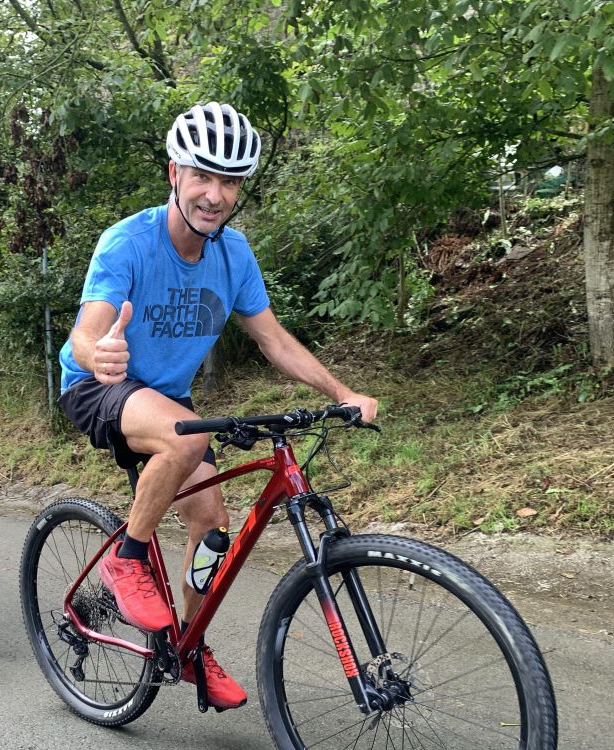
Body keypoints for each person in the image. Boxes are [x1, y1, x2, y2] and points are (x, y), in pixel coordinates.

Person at [57, 102, 378, 710]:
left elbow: (274, 339)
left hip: (166, 398)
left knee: (212, 529)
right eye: (203, 175)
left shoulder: (233, 255)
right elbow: (88, 327)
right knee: (187, 438)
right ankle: (126, 559)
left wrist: (342, 394)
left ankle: (186, 645)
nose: (215, 194)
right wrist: (97, 353)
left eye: (229, 181)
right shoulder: (128, 242)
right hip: (98, 387)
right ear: (175, 173)